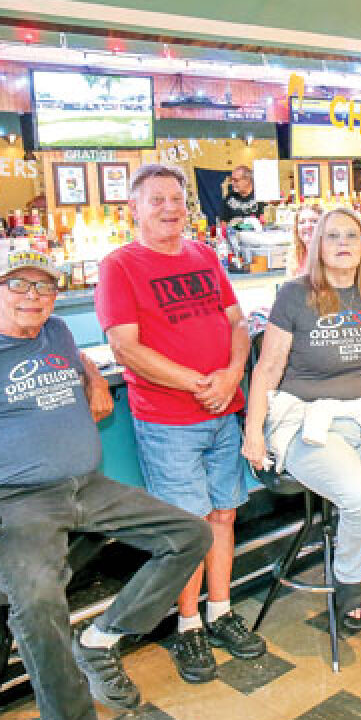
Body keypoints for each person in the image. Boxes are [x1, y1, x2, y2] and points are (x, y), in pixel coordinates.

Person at [0, 250, 212, 720]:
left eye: (43, 288)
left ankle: (101, 639)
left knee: (191, 533)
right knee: (39, 607)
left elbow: (77, 355)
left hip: (87, 487)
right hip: (15, 501)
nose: (32, 297)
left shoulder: (54, 329)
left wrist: (94, 378)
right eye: (18, 285)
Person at [96, 163, 263, 685]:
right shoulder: (119, 265)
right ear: (134, 208)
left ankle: (220, 610)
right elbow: (126, 346)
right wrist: (201, 384)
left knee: (223, 519)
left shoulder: (204, 255)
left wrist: (233, 372)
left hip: (224, 413)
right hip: (170, 421)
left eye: (177, 199)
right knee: (186, 532)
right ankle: (187, 625)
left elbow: (240, 323)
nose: (170, 209)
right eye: (157, 201)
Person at [243, 208, 361, 629]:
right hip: (312, 421)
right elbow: (269, 368)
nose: (344, 243)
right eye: (333, 236)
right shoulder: (295, 295)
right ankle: (349, 578)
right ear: (318, 245)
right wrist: (253, 432)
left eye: (352, 235)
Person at [286, 204, 322, 278]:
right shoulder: (295, 256)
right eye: (302, 222)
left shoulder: (331, 256)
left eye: (314, 221)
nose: (308, 226)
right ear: (296, 228)